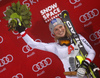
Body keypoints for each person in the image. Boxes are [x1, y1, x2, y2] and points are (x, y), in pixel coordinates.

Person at [16, 18, 96, 78]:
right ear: (53, 33)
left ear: (64, 27)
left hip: (88, 74)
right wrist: (22, 32)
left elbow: (92, 52)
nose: (60, 30)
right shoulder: (55, 47)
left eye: (60, 27)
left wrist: (85, 64)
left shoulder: (77, 37)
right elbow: (33, 44)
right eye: (56, 29)